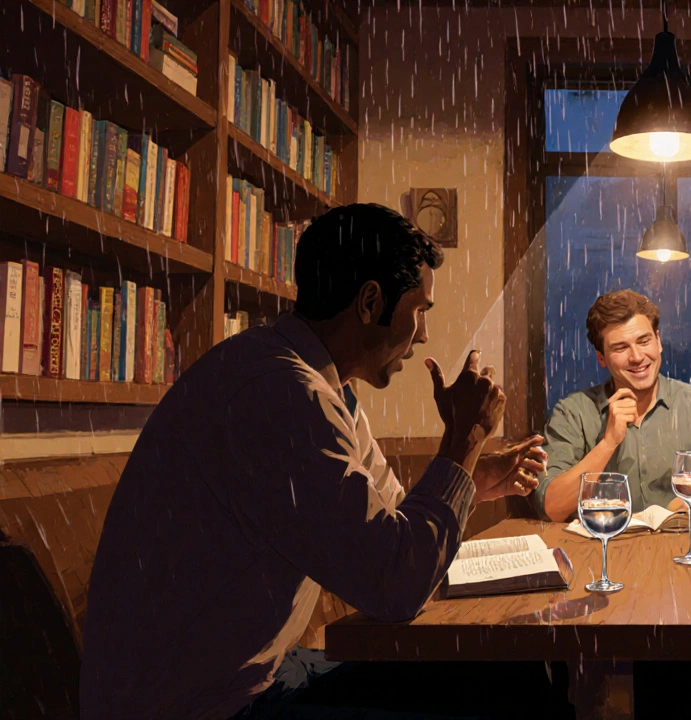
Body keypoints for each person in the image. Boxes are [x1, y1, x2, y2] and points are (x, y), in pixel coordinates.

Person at [80, 204, 551, 719]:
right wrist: (462, 440)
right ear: (370, 302)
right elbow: (394, 584)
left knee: (517, 665)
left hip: (254, 676)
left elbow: (391, 522)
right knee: (512, 682)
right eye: (420, 312)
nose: (422, 336)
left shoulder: (323, 387)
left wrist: (471, 477)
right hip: (202, 707)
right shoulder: (281, 395)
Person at [531, 289, 691, 522]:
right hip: (599, 549)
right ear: (601, 357)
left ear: (658, 341)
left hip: (680, 545)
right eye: (620, 348)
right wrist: (608, 443)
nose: (637, 356)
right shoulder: (572, 413)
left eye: (644, 341)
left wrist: (683, 508)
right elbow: (551, 506)